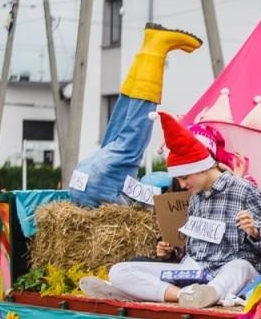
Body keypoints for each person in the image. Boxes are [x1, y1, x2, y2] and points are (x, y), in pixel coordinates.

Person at [80, 112, 261, 309]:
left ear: (201, 167)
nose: (183, 185)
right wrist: (170, 252)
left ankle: (189, 293)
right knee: (119, 271)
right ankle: (183, 295)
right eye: (180, 180)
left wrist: (255, 231)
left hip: (232, 273)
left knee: (240, 267)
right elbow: (193, 248)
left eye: (185, 177)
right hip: (194, 272)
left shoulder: (243, 189)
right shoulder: (195, 198)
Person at [68, 23, 202, 207]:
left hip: (93, 180)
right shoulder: (155, 197)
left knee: (125, 132)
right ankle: (154, 48)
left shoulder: (148, 189)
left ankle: (150, 48)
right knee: (125, 131)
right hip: (84, 177)